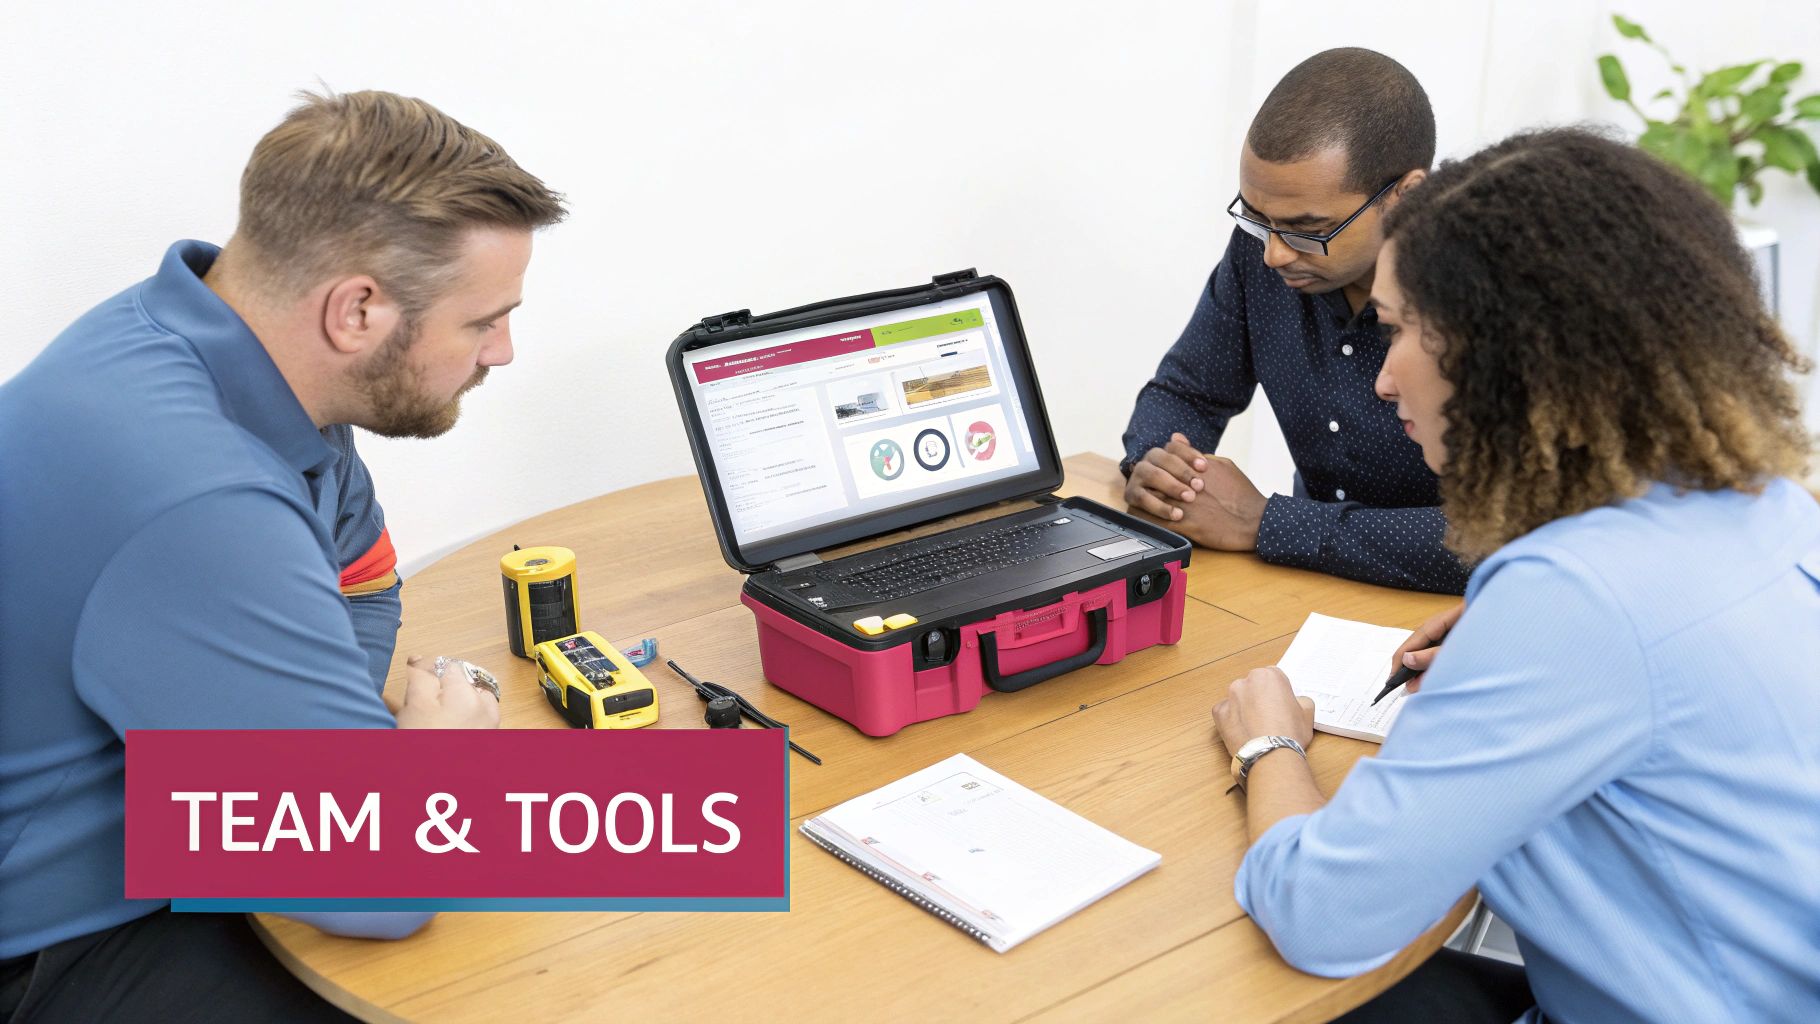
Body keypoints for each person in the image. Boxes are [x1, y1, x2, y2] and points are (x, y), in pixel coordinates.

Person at [1212, 127, 1819, 1022]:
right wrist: (1508, 635)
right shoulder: (1769, 501)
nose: (1383, 381)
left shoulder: (1575, 599)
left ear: (1506, 353)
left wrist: (1270, 745)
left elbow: (1321, 914)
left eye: (1397, 331)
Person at [0, 90, 566, 1021]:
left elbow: (363, 579)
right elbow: (373, 894)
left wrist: (315, 757)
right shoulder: (203, 497)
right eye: (482, 321)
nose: (502, 351)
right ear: (357, 312)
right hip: (62, 947)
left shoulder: (219, 352)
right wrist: (425, 770)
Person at [1122, 47, 1469, 594]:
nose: (1275, 255)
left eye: (1309, 228)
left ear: (1406, 195)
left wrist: (1266, 521)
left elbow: (1504, 535)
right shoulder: (1264, 251)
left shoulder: (1492, 296)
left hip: (1441, 612)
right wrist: (1163, 471)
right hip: (1302, 588)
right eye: (1257, 219)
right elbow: (1187, 393)